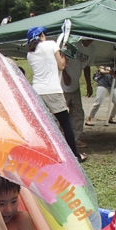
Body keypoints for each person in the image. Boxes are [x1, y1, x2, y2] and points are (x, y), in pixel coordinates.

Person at [26, 26, 87, 163]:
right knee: (65, 123)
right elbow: (61, 66)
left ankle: (42, 153)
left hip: (36, 90)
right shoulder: (51, 45)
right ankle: (75, 155)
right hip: (52, 90)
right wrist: (63, 54)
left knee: (41, 124)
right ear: (41, 35)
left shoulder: (29, 53)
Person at [61, 38, 95, 148]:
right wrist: (65, 75)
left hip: (75, 85)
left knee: (78, 112)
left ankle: (75, 138)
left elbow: (86, 67)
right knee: (60, 112)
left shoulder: (92, 49)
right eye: (87, 38)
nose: (88, 41)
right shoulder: (73, 44)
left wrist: (88, 85)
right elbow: (61, 58)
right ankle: (59, 138)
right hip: (62, 85)